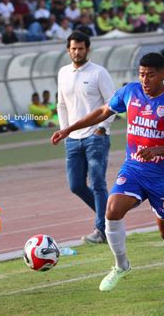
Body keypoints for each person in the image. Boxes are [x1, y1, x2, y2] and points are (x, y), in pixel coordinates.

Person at [51, 52, 164, 296]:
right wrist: (68, 128)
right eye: (141, 74)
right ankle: (121, 266)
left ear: (163, 74)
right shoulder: (130, 92)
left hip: (163, 174)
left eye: (150, 75)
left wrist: (157, 150)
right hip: (134, 168)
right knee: (112, 209)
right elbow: (102, 112)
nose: (145, 80)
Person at [56, 31, 115, 244]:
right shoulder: (63, 73)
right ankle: (111, 218)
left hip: (95, 137)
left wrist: (102, 127)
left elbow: (112, 103)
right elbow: (61, 104)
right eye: (73, 48)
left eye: (81, 48)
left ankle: (101, 230)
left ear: (87, 49)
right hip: (73, 139)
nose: (77, 52)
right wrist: (65, 130)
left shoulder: (99, 73)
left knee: (98, 182)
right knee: (76, 185)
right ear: (68, 50)